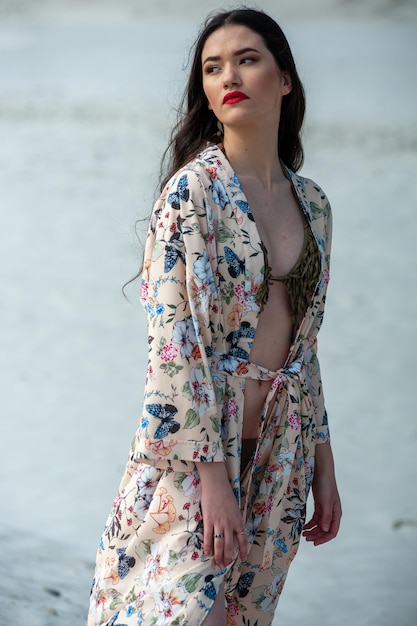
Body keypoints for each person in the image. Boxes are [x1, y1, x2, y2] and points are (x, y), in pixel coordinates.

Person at [86, 8, 342, 626]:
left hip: (282, 451)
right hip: (192, 455)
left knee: (240, 618)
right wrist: (213, 480)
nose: (229, 75)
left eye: (247, 59)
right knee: (167, 612)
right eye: (212, 66)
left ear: (285, 79)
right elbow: (174, 348)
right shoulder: (192, 193)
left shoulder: (313, 205)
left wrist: (324, 466)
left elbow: (303, 348)